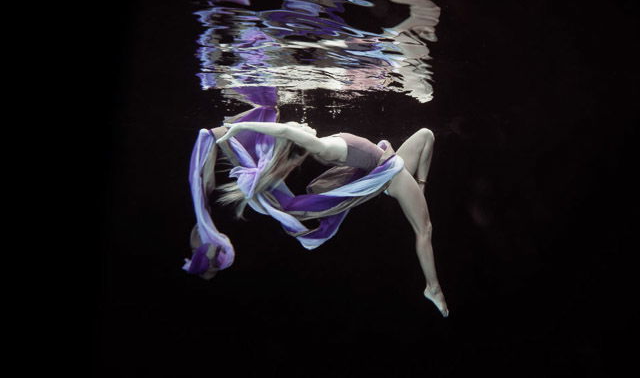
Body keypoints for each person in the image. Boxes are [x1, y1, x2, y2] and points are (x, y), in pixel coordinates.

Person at [185, 108, 449, 317]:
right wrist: (242, 127)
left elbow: (287, 132)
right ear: (302, 143)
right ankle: (432, 288)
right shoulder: (323, 146)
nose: (305, 124)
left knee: (426, 135)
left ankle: (421, 187)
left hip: (389, 167)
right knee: (425, 230)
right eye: (302, 129)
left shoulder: (323, 142)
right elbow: (286, 131)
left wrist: (420, 186)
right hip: (391, 176)